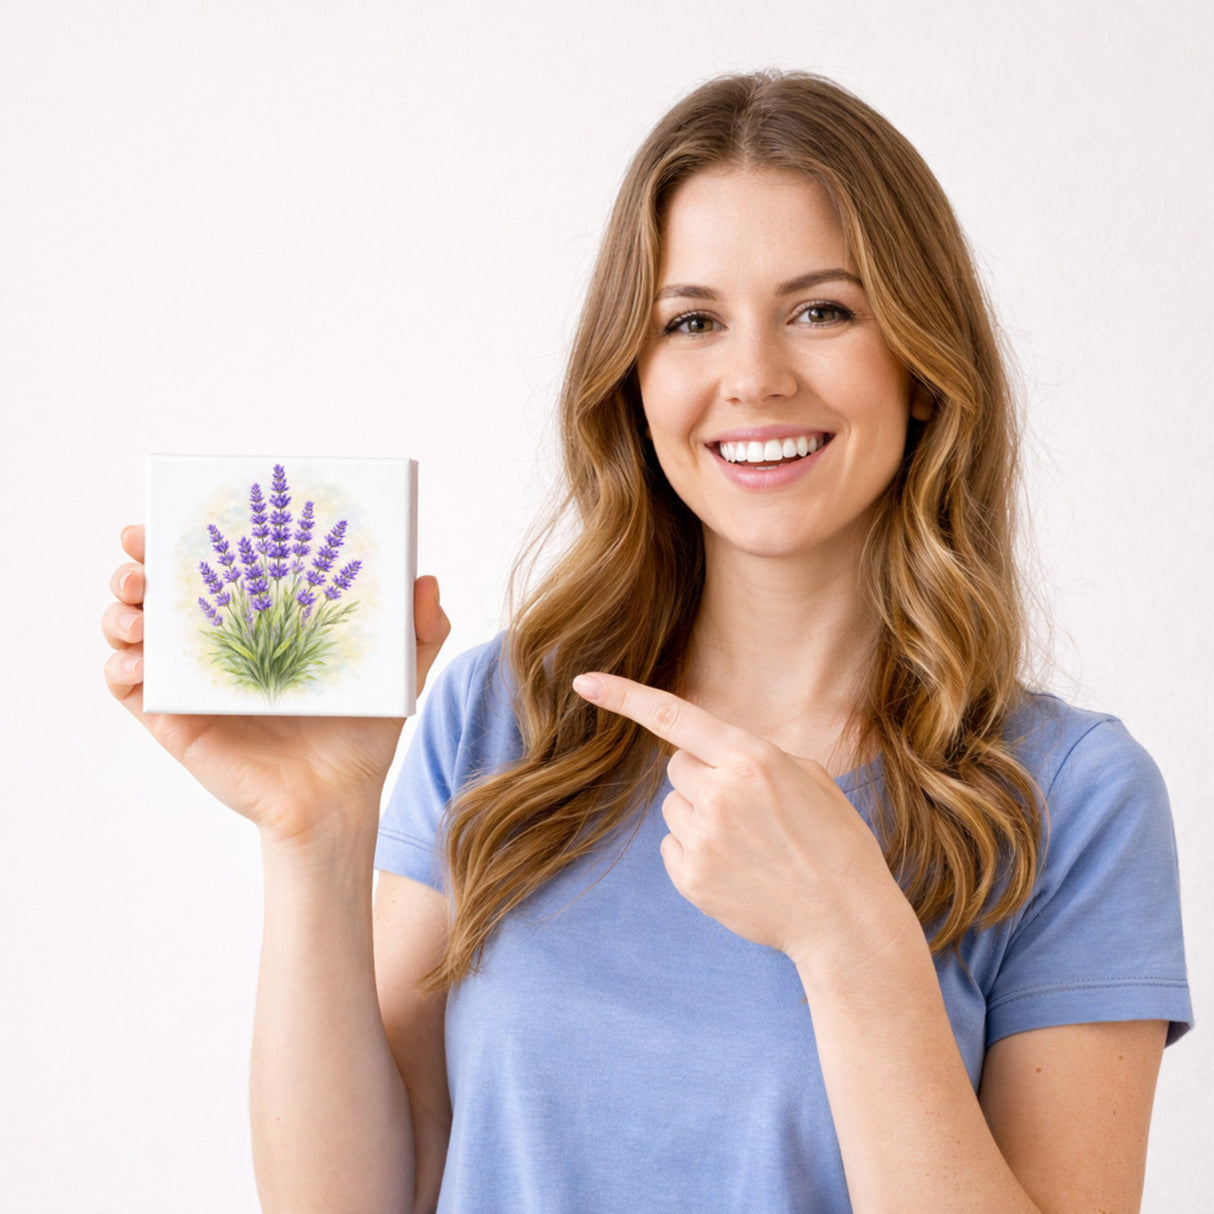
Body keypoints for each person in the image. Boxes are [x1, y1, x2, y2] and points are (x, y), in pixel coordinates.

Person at [103, 71, 1191, 1213]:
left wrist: (849, 938)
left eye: (822, 310)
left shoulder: (1073, 798)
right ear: (633, 377)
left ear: (922, 366)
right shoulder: (500, 716)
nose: (754, 377)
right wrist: (318, 838)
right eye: (691, 322)